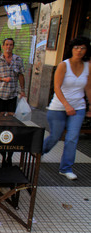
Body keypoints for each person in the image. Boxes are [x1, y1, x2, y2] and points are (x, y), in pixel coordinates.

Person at [43, 36, 91, 180]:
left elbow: (88, 87)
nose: (79, 51)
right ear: (71, 49)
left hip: (79, 107)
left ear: (86, 50)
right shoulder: (64, 65)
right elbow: (56, 87)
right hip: (58, 107)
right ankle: (38, 152)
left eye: (82, 48)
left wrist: (90, 106)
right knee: (55, 137)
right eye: (76, 47)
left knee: (72, 138)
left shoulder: (88, 66)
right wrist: (66, 105)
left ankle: (65, 168)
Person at [0, 38, 25, 113]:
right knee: (0, 114)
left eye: (10, 45)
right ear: (3, 46)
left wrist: (22, 90)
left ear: (13, 47)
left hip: (13, 93)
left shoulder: (18, 60)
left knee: (11, 115)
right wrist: (3, 79)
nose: (8, 47)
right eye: (6, 45)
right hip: (1, 93)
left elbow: (21, 76)